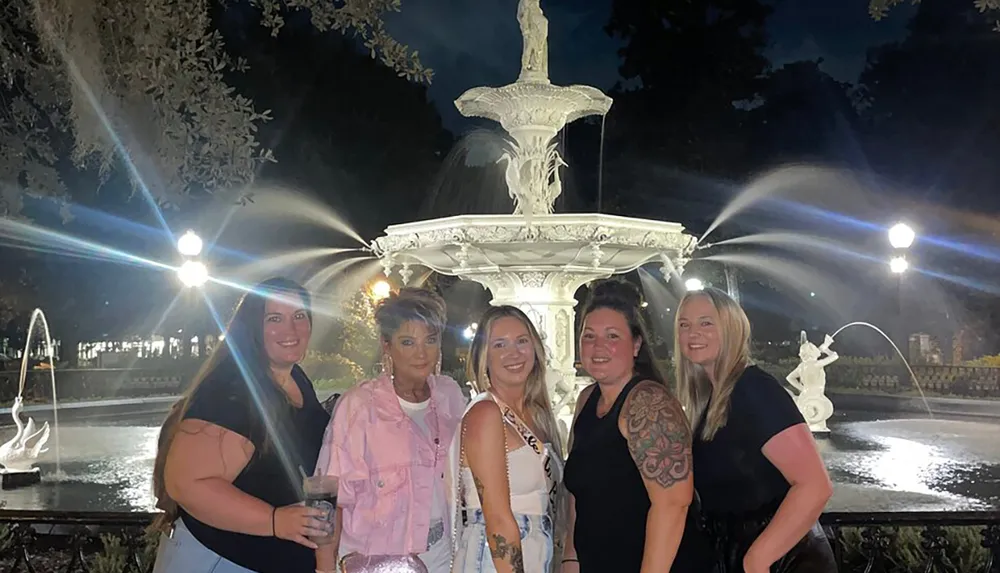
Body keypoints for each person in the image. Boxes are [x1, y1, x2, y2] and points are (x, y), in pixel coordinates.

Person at [151, 277, 332, 573]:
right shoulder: (233, 391)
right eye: (275, 318)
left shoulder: (294, 379)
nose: (292, 329)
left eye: (299, 316)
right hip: (218, 560)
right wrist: (275, 520)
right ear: (252, 327)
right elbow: (186, 484)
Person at [674, 287, 836, 573]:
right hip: (739, 552)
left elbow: (815, 485)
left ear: (732, 328)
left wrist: (757, 560)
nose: (692, 333)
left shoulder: (754, 389)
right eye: (684, 324)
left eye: (706, 323)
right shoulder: (712, 400)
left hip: (782, 560)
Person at [562, 280, 712, 573]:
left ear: (636, 344)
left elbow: (673, 504)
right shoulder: (586, 400)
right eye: (589, 336)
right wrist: (571, 557)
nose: (598, 346)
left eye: (612, 336)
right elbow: (578, 494)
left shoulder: (648, 402)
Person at [315, 287, 467, 573]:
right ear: (387, 345)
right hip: (375, 561)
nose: (422, 353)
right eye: (408, 342)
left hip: (443, 559)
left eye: (430, 340)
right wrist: (324, 568)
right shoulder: (359, 407)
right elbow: (329, 498)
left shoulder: (450, 398)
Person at [447, 305, 566, 573]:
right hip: (495, 558)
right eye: (499, 344)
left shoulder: (536, 416)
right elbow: (498, 519)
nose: (514, 353)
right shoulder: (486, 413)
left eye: (522, 341)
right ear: (483, 356)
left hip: (535, 548)